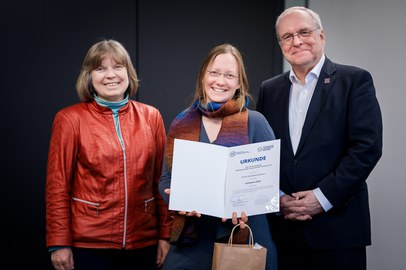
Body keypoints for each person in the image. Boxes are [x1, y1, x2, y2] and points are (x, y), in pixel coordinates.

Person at [256, 6, 383, 270]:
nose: (297, 41)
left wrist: (321, 198)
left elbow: (366, 148)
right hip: (284, 230)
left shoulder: (354, 80)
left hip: (338, 229)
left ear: (321, 37)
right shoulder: (270, 90)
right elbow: (263, 152)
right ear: (280, 44)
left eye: (304, 32)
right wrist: (277, 198)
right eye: (287, 36)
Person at [45, 39, 173, 270]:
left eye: (118, 67)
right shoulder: (70, 119)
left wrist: (166, 235)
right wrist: (58, 242)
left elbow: (161, 182)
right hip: (89, 246)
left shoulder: (151, 117)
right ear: (89, 77)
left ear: (128, 72)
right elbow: (57, 186)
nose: (110, 75)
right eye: (100, 68)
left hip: (143, 243)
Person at [158, 43, 278, 270]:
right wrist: (179, 200)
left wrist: (247, 206)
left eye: (229, 75)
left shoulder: (255, 122)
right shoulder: (182, 121)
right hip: (191, 240)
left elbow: (269, 186)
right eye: (214, 73)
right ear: (203, 76)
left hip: (241, 237)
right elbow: (165, 180)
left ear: (239, 83)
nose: (220, 81)